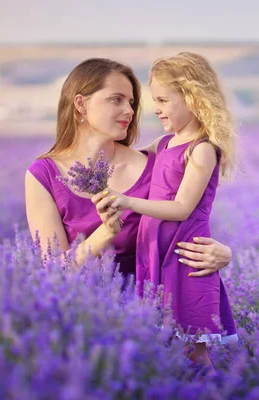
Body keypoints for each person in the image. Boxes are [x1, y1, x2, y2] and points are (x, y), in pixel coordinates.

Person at [24, 58, 233, 278]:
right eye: (116, 100)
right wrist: (106, 233)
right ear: (80, 104)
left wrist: (224, 253)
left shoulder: (154, 164)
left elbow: (188, 221)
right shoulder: (43, 175)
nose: (130, 111)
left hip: (152, 301)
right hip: (82, 307)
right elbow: (54, 271)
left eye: (131, 102)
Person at [98, 52, 238, 370]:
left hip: (185, 256)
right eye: (155, 100)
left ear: (193, 98)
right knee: (164, 346)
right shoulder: (164, 144)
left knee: (195, 352)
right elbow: (125, 155)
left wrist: (127, 201)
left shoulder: (201, 149)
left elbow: (181, 207)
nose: (156, 109)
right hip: (155, 252)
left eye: (163, 100)